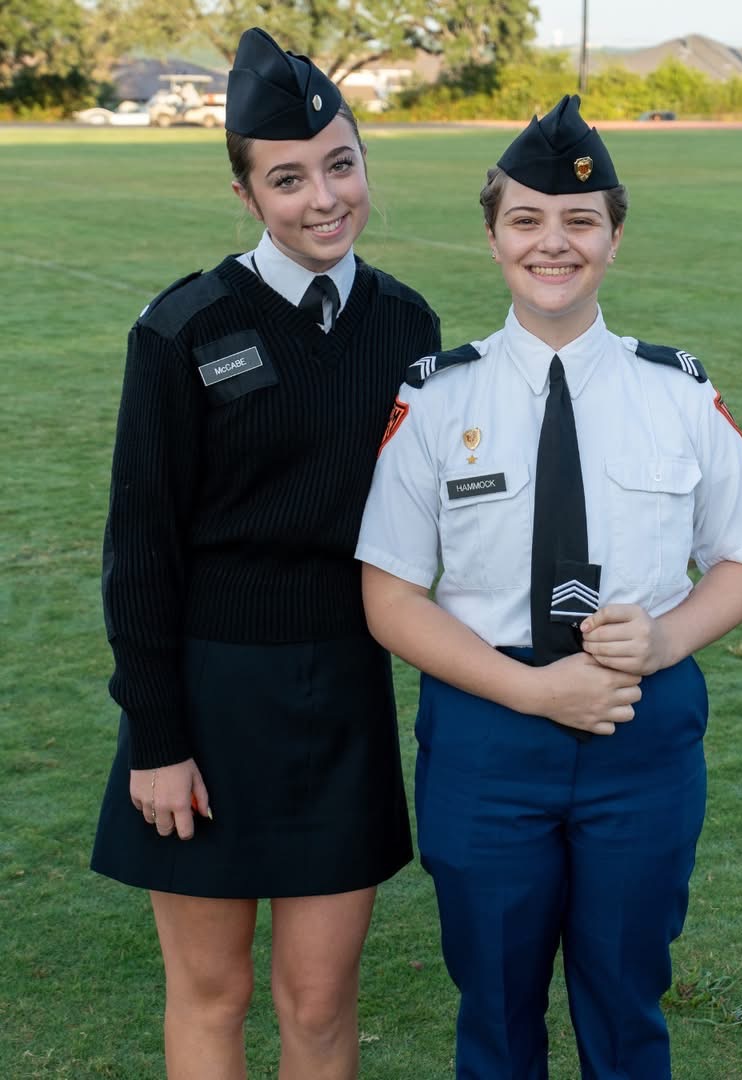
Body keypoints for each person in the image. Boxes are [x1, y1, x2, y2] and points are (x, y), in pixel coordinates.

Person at [356, 95, 742, 1079]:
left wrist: (668, 639)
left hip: (642, 726)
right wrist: (534, 691)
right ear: (494, 237)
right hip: (488, 730)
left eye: (580, 221)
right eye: (527, 220)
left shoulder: (675, 393)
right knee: (495, 1009)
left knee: (627, 1004)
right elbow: (390, 596)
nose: (554, 243)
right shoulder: (437, 397)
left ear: (615, 237)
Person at [91, 27, 440, 1080]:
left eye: (341, 165)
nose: (323, 199)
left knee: (320, 1001)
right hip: (206, 703)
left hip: (342, 692)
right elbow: (139, 551)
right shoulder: (185, 329)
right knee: (213, 994)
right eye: (288, 179)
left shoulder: (408, 324)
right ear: (246, 194)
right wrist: (158, 740)